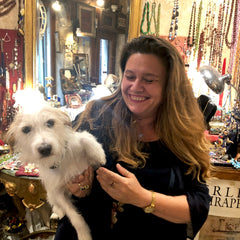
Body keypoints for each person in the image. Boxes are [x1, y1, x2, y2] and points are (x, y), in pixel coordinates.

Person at [54, 35, 211, 240]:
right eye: (130, 76)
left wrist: (142, 198)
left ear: (168, 85)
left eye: (149, 79)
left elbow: (198, 205)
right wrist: (77, 185)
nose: (136, 86)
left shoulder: (182, 131)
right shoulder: (98, 115)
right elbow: (66, 175)